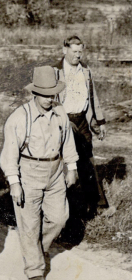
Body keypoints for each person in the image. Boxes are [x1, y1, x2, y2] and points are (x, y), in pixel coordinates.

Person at [0, 66, 78, 280]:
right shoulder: (19, 118)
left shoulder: (60, 112)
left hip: (54, 173)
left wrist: (71, 167)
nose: (48, 99)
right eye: (44, 94)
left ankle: (38, 248)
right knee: (29, 223)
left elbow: (68, 142)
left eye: (52, 94)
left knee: (59, 218)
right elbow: (9, 154)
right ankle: (34, 268)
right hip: (28, 173)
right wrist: (14, 183)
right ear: (34, 93)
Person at [53, 35, 110, 221]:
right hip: (64, 121)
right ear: (65, 50)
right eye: (74, 51)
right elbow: (50, 100)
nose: (78, 55)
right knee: (64, 164)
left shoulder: (85, 70)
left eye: (80, 51)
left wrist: (100, 122)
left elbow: (93, 97)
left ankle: (96, 206)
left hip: (82, 121)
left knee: (87, 161)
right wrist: (60, 122)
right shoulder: (55, 71)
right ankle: (62, 210)